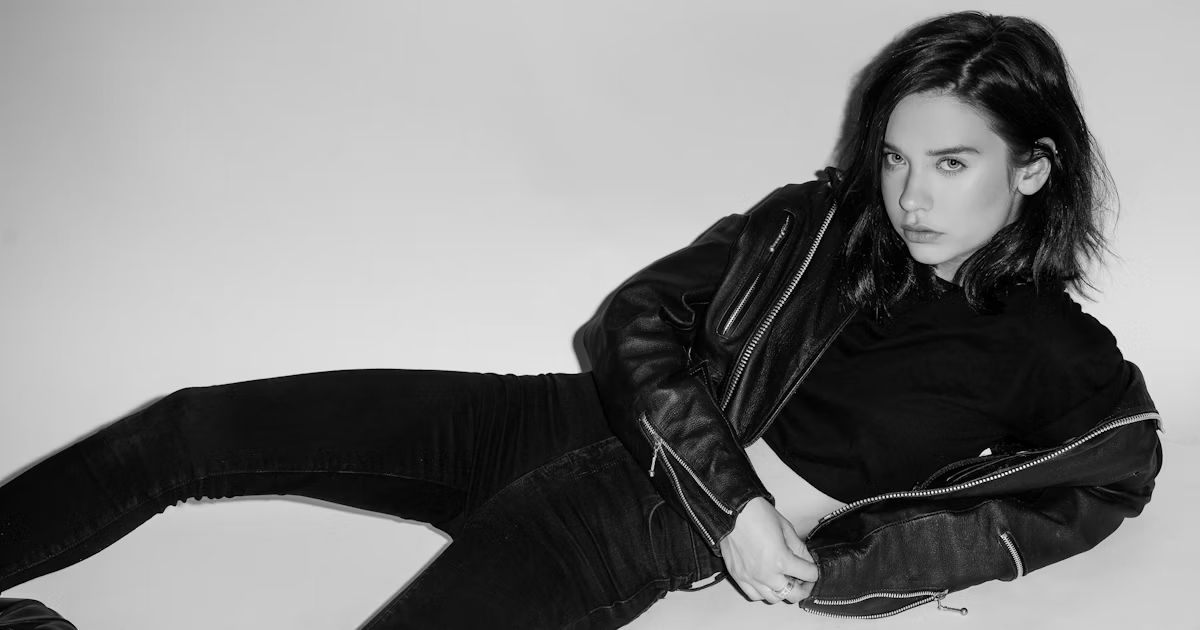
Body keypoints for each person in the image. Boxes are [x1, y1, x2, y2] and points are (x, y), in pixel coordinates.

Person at [0, 10, 1163, 629]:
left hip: (619, 528)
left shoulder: (1053, 356)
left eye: (953, 163)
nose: (910, 196)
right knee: (192, 428)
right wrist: (738, 502)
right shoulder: (818, 222)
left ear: (1032, 168)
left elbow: (1114, 477)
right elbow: (638, 319)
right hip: (567, 423)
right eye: (898, 158)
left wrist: (850, 568)